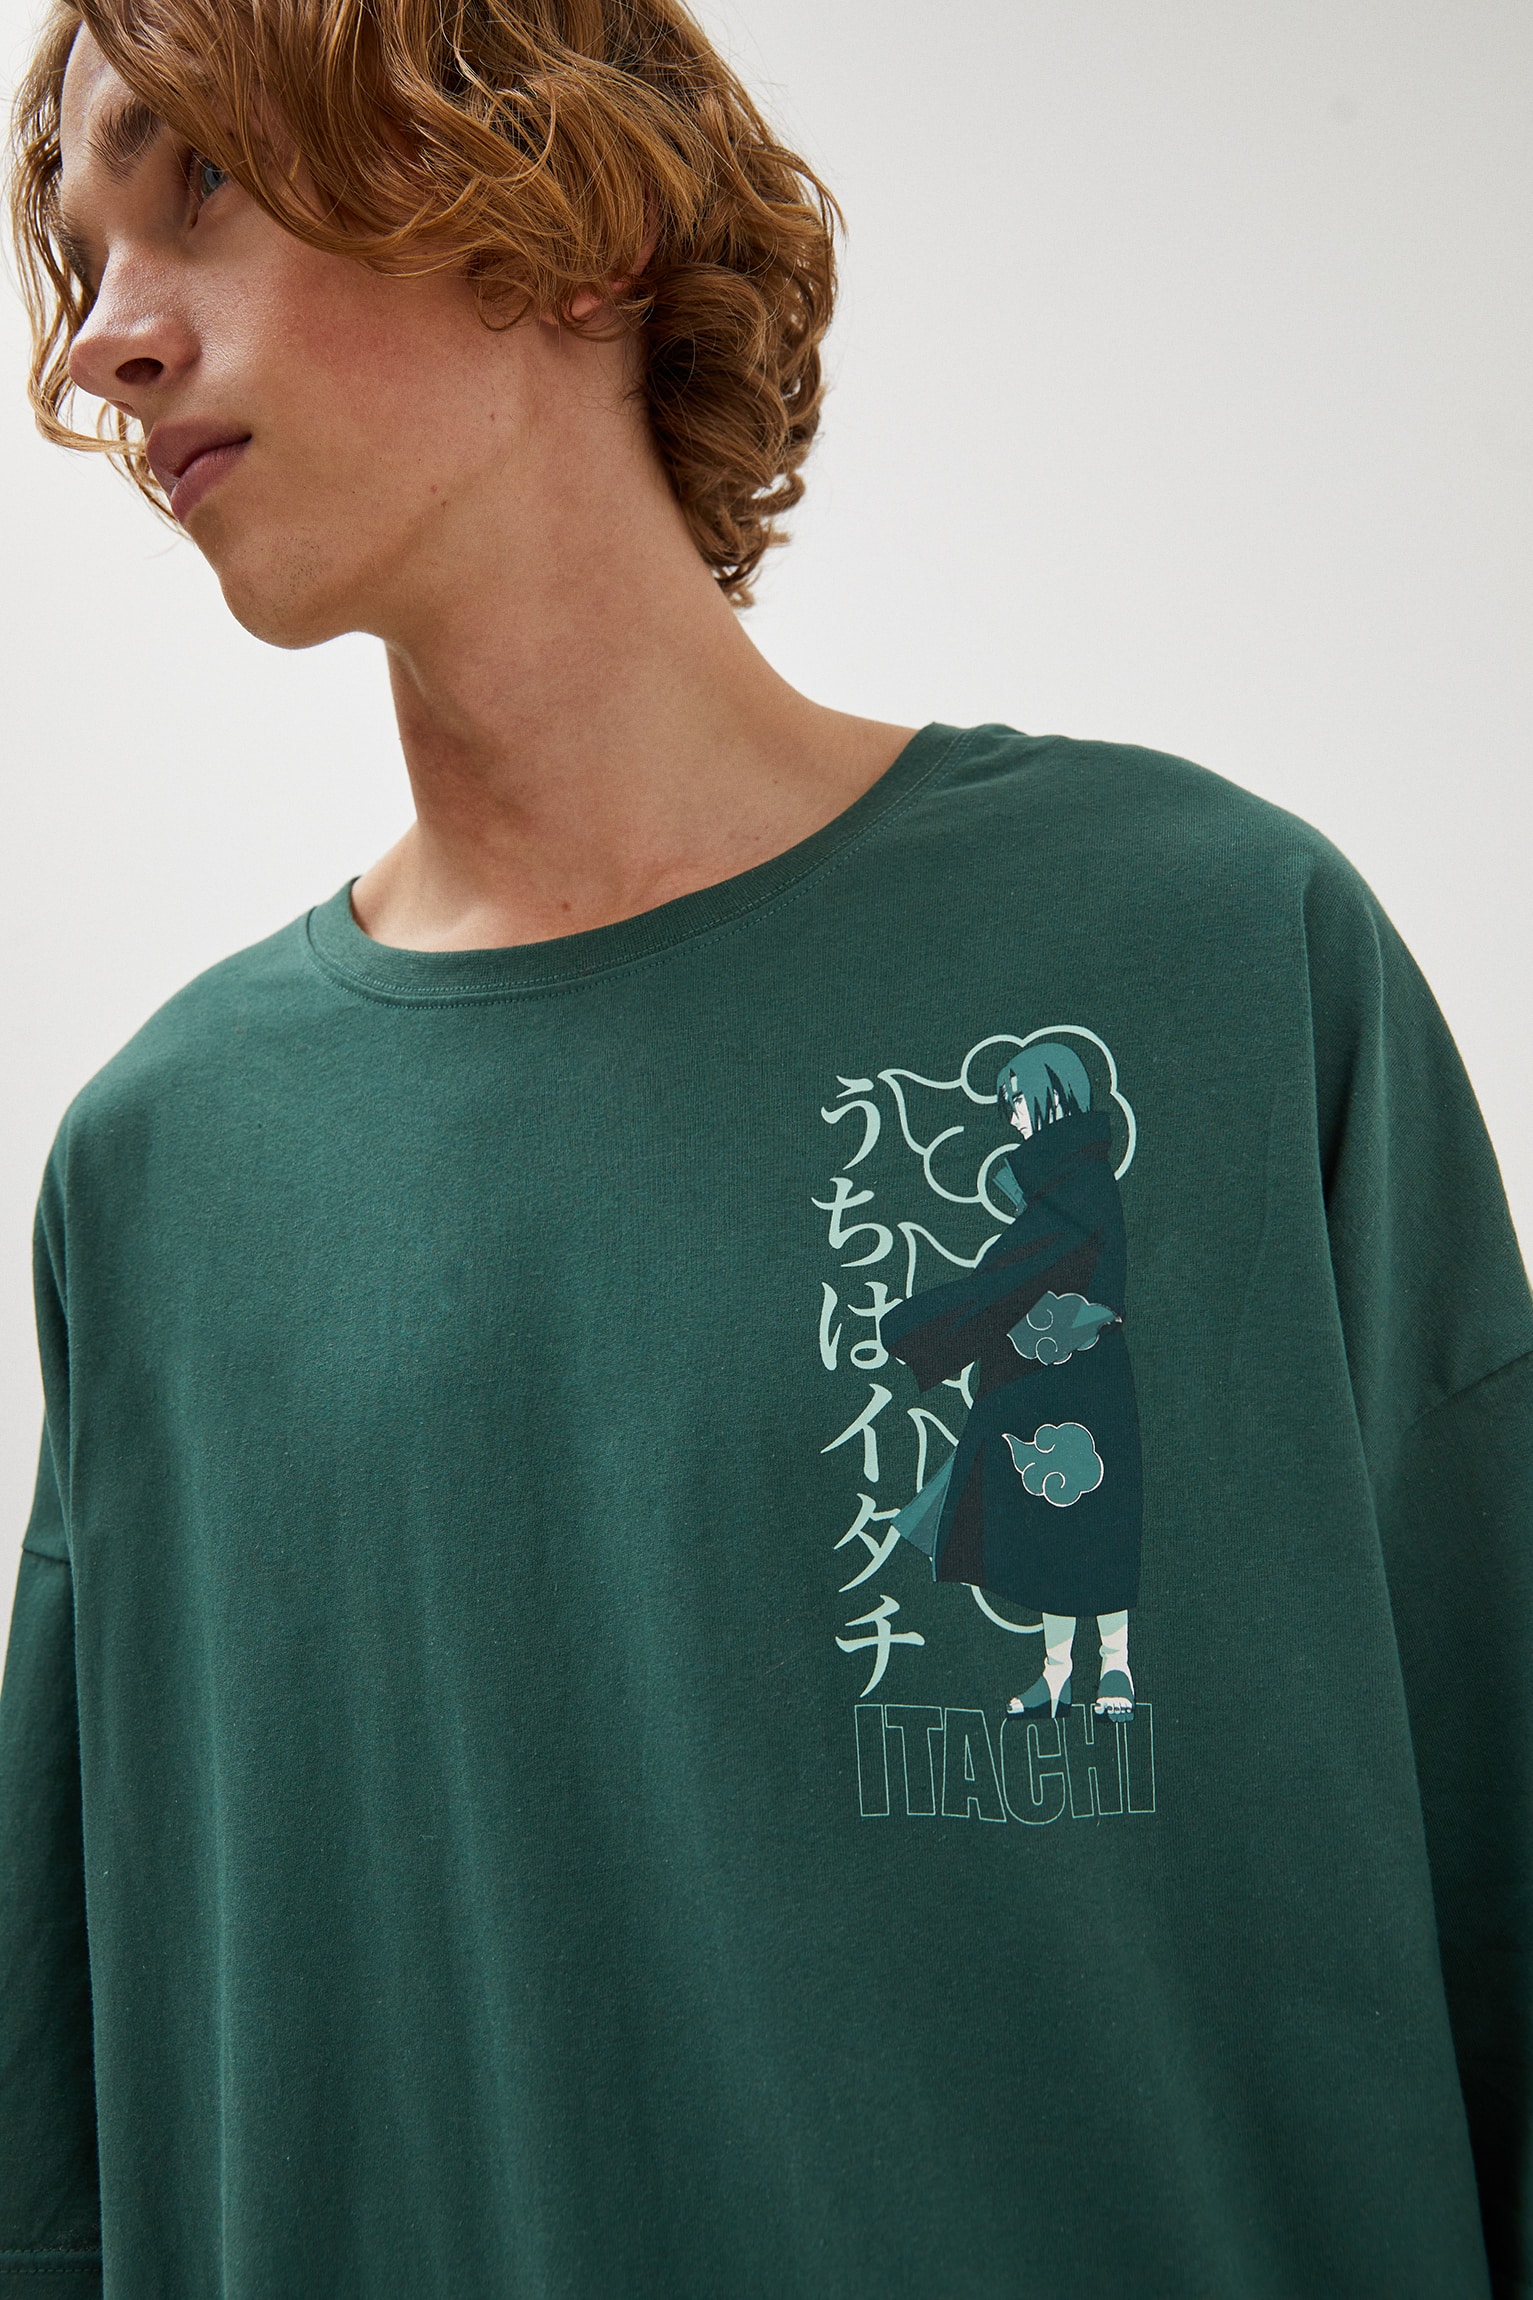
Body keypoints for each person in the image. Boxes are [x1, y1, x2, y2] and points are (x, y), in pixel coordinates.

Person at [0, 2, 1529, 2296]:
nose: (103, 341)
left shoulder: (1201, 959)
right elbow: (65, 2164)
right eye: (80, 247)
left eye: (197, 180)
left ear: (571, 217)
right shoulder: (166, 1180)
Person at [882, 1043, 1143, 1723]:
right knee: (1052, 1532)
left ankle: (1114, 1667)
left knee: (1096, 1527)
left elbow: (1014, 1280)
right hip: (1042, 1379)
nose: (1015, 1118)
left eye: (1020, 1102)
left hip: (1082, 1378)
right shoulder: (1060, 1181)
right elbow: (1014, 1278)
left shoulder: (1080, 1183)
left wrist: (921, 1326)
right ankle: (1057, 1677)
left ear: (1055, 1093)